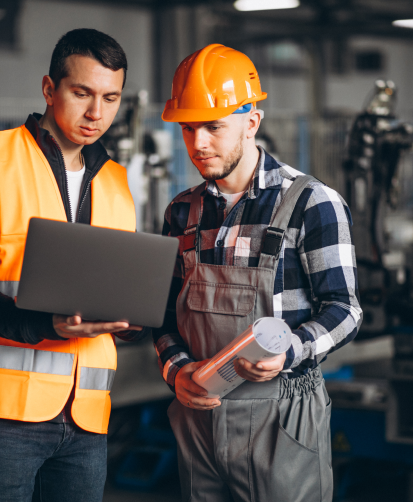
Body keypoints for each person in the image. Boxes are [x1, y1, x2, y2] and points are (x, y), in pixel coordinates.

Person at [153, 43, 363, 502]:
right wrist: (178, 372)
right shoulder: (182, 212)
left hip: (282, 419)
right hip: (198, 420)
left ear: (252, 123)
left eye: (213, 127)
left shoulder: (311, 202)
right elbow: (164, 317)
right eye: (188, 128)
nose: (198, 143)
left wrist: (291, 348)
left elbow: (344, 310)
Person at [0, 29, 146, 502]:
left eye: (110, 97)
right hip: (7, 418)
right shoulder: (1, 161)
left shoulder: (117, 182)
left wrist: (131, 320)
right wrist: (44, 324)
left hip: (87, 419)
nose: (96, 114)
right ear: (49, 89)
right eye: (81, 93)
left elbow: (115, 285)